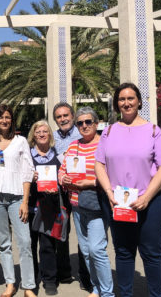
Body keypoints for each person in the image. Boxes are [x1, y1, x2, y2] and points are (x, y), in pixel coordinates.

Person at [94, 83, 161, 297]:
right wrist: (109, 194)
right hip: (120, 203)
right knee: (124, 252)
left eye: (130, 98)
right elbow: (99, 164)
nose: (126, 103)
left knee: (152, 253)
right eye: (122, 99)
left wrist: (147, 197)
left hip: (151, 202)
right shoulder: (109, 131)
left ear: (139, 101)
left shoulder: (153, 131)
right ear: (116, 104)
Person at [0, 104, 36, 297]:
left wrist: (25, 201)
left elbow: (28, 171)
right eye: (1, 117)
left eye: (8, 117)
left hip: (17, 198)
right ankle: (10, 283)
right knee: (4, 243)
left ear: (12, 120)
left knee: (25, 241)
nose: (5, 120)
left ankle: (28, 285)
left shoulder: (20, 141)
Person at [58, 107, 114, 297]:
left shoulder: (105, 145)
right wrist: (63, 178)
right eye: (80, 123)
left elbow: (114, 175)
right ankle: (96, 287)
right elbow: (62, 169)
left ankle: (107, 293)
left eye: (88, 122)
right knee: (86, 251)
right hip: (77, 205)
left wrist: (91, 182)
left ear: (96, 124)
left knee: (96, 249)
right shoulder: (74, 146)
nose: (84, 126)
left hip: (97, 204)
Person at [52, 102, 92, 291]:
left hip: (81, 190)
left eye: (66, 115)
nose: (63, 119)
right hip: (61, 191)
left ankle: (86, 276)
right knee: (62, 231)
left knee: (85, 233)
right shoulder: (52, 138)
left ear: (72, 116)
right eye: (59, 117)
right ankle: (64, 272)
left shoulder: (82, 134)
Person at [27, 120, 62, 296]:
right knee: (30, 245)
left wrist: (58, 183)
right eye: (38, 131)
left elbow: (63, 181)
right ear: (33, 135)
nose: (41, 134)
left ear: (50, 135)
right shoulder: (26, 156)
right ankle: (31, 280)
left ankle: (49, 279)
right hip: (31, 207)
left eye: (45, 131)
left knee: (48, 245)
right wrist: (28, 177)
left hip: (49, 207)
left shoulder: (57, 157)